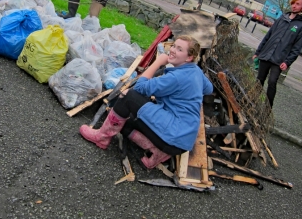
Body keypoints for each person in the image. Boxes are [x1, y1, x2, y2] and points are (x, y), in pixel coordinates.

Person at [79, 35, 213, 169]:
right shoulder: (195, 70)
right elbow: (209, 88)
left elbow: (139, 88)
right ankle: (157, 152)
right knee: (125, 122)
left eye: (179, 49)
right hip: (183, 142)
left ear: (189, 57)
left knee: (129, 96)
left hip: (173, 135)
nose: (172, 50)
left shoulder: (175, 78)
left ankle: (102, 137)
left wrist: (158, 62)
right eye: (173, 45)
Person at [253, 0, 302, 107]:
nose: (294, 6)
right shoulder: (282, 19)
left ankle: (267, 108)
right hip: (266, 54)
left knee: (272, 82)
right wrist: (258, 52)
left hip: (279, 59)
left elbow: (297, 47)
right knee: (259, 79)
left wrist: (288, 62)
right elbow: (268, 36)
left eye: (298, 4)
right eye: (293, 3)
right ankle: (253, 102)